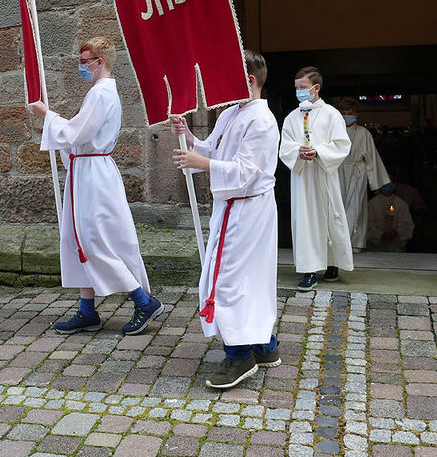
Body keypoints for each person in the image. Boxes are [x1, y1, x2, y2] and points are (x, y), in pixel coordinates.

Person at [28, 36, 163, 336]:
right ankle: (87, 311)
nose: (81, 66)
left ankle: (143, 301)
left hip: (94, 173)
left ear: (99, 62)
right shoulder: (99, 92)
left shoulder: (101, 93)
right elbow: (80, 134)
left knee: (93, 240)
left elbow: (79, 131)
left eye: (84, 61)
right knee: (79, 238)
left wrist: (47, 115)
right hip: (87, 169)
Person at [171, 50, 281, 389]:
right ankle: (264, 346)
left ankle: (239, 357)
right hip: (234, 208)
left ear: (249, 80)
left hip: (248, 208)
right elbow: (215, 151)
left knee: (230, 280)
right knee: (247, 278)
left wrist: (200, 163)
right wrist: (189, 137)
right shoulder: (232, 113)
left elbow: (246, 172)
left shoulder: (261, 121)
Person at [279, 67, 352, 291]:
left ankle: (332, 264)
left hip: (324, 174)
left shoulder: (331, 114)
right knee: (306, 222)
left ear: (315, 88)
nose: (299, 91)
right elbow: (285, 146)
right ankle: (309, 270)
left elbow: (341, 144)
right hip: (302, 178)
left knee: (330, 216)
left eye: (302, 87)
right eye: (297, 88)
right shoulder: (292, 117)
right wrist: (297, 152)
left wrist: (319, 152)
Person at [337, 98, 391, 254]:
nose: (347, 116)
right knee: (337, 205)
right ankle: (339, 243)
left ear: (357, 114)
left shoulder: (364, 133)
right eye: (344, 113)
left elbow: (372, 158)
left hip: (357, 172)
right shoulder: (334, 131)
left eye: (350, 113)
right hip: (337, 170)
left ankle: (355, 242)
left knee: (356, 206)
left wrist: (376, 184)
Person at [366, 184, 415, 251]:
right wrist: (381, 234)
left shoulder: (401, 204)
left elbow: (407, 225)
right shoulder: (372, 204)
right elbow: (367, 225)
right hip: (376, 249)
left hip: (395, 248)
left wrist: (396, 232)